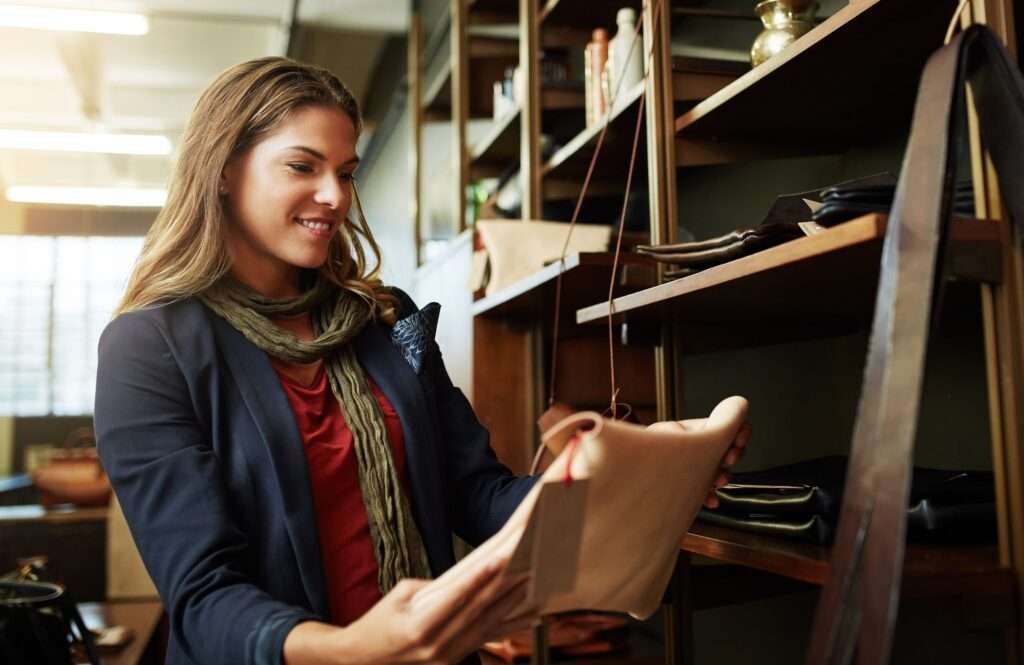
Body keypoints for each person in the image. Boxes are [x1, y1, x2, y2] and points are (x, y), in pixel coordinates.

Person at [93, 57, 750, 665]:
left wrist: (639, 479)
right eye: (303, 166)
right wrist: (350, 646)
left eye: (345, 173)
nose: (336, 196)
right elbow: (203, 594)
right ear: (224, 170)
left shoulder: (384, 319)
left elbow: (478, 493)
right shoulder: (147, 350)